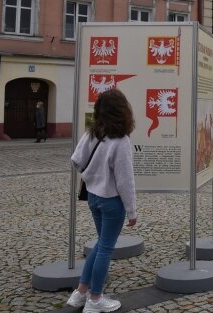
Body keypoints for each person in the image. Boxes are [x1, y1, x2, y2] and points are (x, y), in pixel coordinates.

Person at [66, 89, 137, 313]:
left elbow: (76, 161)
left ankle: (81, 292)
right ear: (123, 111)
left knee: (100, 244)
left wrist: (92, 175)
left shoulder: (92, 133)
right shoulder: (122, 140)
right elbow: (125, 181)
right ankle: (95, 299)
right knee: (106, 248)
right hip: (112, 201)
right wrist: (132, 211)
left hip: (93, 197)